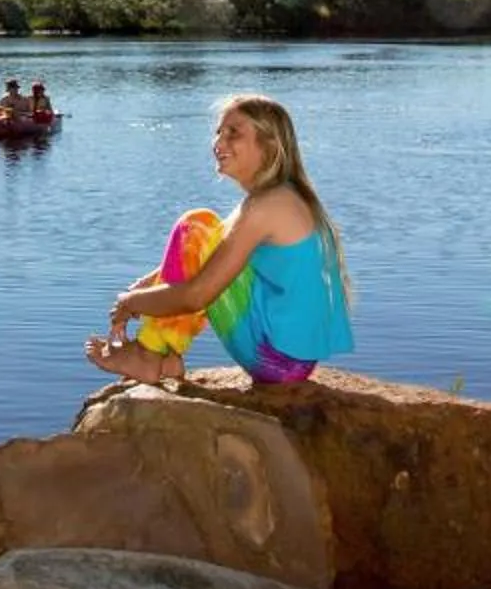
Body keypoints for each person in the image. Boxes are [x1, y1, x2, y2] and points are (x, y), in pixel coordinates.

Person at [86, 94, 353, 388]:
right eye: (219, 133)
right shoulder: (281, 196)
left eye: (233, 133)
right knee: (204, 228)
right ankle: (167, 355)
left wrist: (131, 302)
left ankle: (149, 354)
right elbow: (213, 253)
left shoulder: (266, 206)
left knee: (194, 226)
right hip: (291, 358)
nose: (219, 143)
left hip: (275, 360)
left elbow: (195, 295)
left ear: (270, 145)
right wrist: (147, 285)